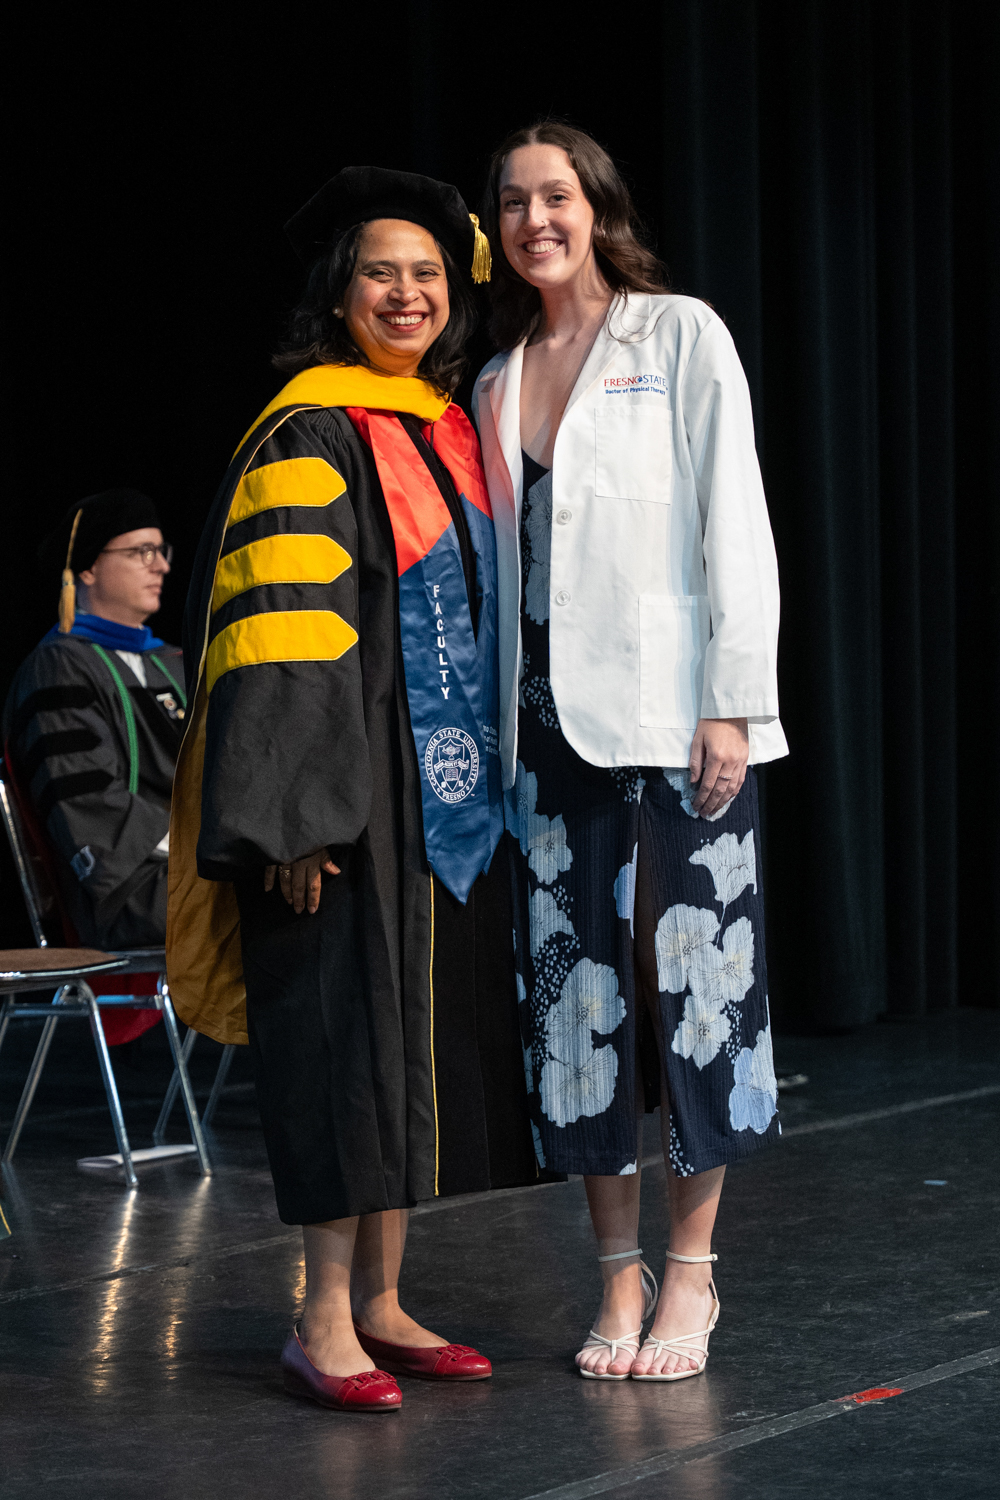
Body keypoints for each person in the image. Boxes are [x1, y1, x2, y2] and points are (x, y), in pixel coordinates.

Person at [167, 167, 533, 1413]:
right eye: (383, 271)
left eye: (429, 273)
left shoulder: (445, 428)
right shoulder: (309, 429)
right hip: (336, 802)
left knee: (403, 1048)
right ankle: (321, 1317)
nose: (409, 292)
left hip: (434, 800)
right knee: (339, 1045)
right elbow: (283, 632)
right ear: (339, 293)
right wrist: (292, 821)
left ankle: (382, 1299)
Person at [474, 123, 788, 1382]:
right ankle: (616, 1274)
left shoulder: (679, 334)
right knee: (575, 1009)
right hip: (544, 736)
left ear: (596, 206)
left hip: (673, 718)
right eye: (511, 203)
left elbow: (736, 522)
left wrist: (732, 701)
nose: (533, 218)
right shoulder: (495, 381)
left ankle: (695, 1278)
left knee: (697, 996)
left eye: (555, 195)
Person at [4, 491, 184, 960]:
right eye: (141, 552)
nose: (161, 566)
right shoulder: (58, 668)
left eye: (161, 551)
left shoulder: (177, 664)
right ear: (87, 569)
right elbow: (91, 803)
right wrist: (213, 848)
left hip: (196, 875)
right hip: (130, 892)